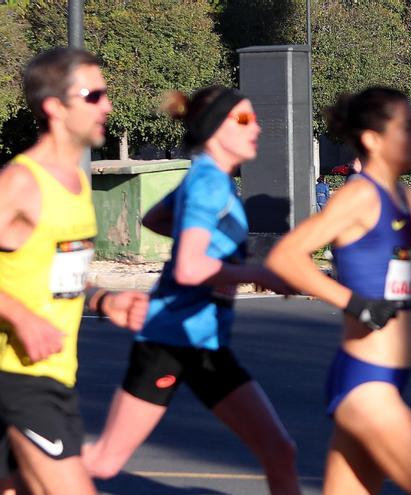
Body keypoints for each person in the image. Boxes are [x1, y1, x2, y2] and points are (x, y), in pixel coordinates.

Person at [82, 86, 302, 495]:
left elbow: (154, 218)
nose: (256, 126)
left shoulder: (205, 178)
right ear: (215, 128)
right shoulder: (207, 184)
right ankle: (17, 474)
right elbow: (188, 267)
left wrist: (226, 257)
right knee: (104, 461)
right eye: (243, 119)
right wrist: (259, 273)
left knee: (278, 450)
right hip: (170, 339)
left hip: (204, 343)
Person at [265, 87, 411, 495]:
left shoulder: (404, 199)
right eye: (409, 128)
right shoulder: (360, 195)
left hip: (390, 378)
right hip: (366, 386)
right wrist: (353, 303)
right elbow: (285, 257)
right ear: (373, 139)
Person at [0, 47, 149, 495]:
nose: (106, 105)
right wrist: (22, 317)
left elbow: (58, 271)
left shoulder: (76, 180)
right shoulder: (21, 182)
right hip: (19, 377)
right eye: (93, 94)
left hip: (56, 371)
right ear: (55, 107)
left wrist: (105, 299)